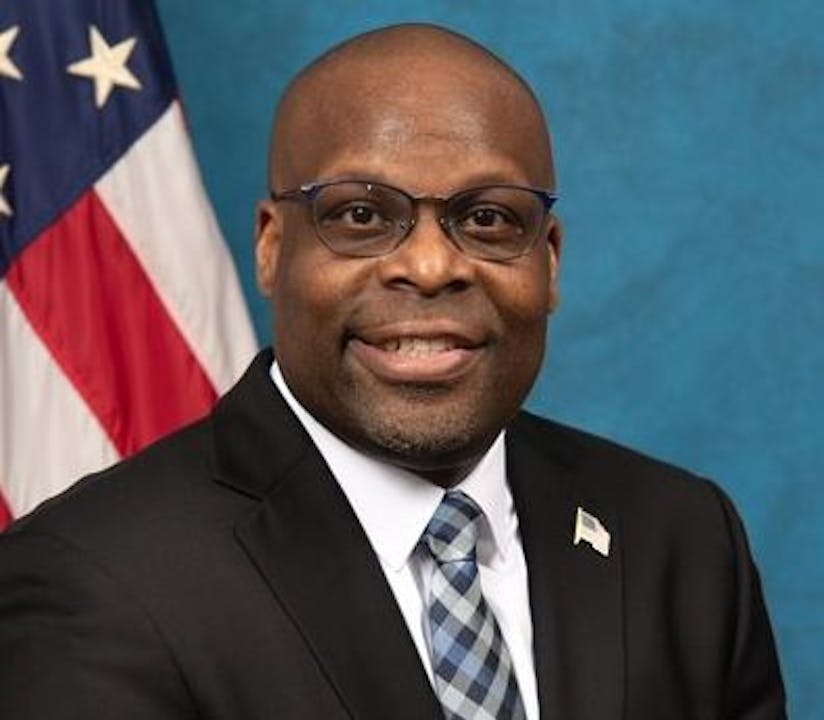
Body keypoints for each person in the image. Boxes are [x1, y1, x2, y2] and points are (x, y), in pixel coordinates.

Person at [0, 24, 785, 720]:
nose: (432, 265)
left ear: (547, 263)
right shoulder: (91, 580)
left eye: (487, 218)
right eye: (362, 215)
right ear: (273, 247)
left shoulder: (681, 539)